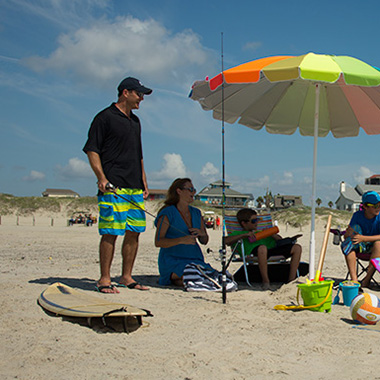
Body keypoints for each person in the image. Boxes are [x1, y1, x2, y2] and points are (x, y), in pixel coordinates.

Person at [83, 77, 152, 293]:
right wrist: (101, 177)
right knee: (111, 231)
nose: (141, 98)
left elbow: (139, 154)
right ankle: (104, 278)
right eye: (138, 93)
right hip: (113, 184)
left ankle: (126, 276)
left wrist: (144, 181)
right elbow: (92, 149)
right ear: (125, 93)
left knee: (134, 231)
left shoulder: (136, 122)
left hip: (134, 186)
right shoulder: (104, 118)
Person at [154, 178, 213, 287]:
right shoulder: (168, 213)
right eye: (190, 189)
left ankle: (178, 281)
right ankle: (174, 279)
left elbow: (204, 241)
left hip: (195, 258)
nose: (193, 193)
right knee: (192, 274)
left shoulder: (196, 212)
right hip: (172, 259)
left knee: (209, 275)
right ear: (179, 191)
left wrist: (202, 233)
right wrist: (181, 240)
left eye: (194, 190)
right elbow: (158, 242)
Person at [224, 208, 302, 290]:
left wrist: (271, 233)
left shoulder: (260, 232)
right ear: (244, 223)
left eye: (257, 220)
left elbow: (280, 241)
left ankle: (291, 280)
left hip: (270, 251)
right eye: (253, 221)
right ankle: (266, 281)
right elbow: (226, 241)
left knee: (297, 247)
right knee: (262, 248)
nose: (256, 223)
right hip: (253, 252)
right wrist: (244, 235)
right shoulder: (238, 234)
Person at [342, 191, 380, 288]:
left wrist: (364, 238)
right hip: (360, 246)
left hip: (375, 249)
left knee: (378, 244)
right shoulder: (357, 216)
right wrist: (348, 234)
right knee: (348, 244)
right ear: (366, 207)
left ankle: (366, 280)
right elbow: (347, 236)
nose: (378, 207)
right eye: (375, 206)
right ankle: (354, 280)